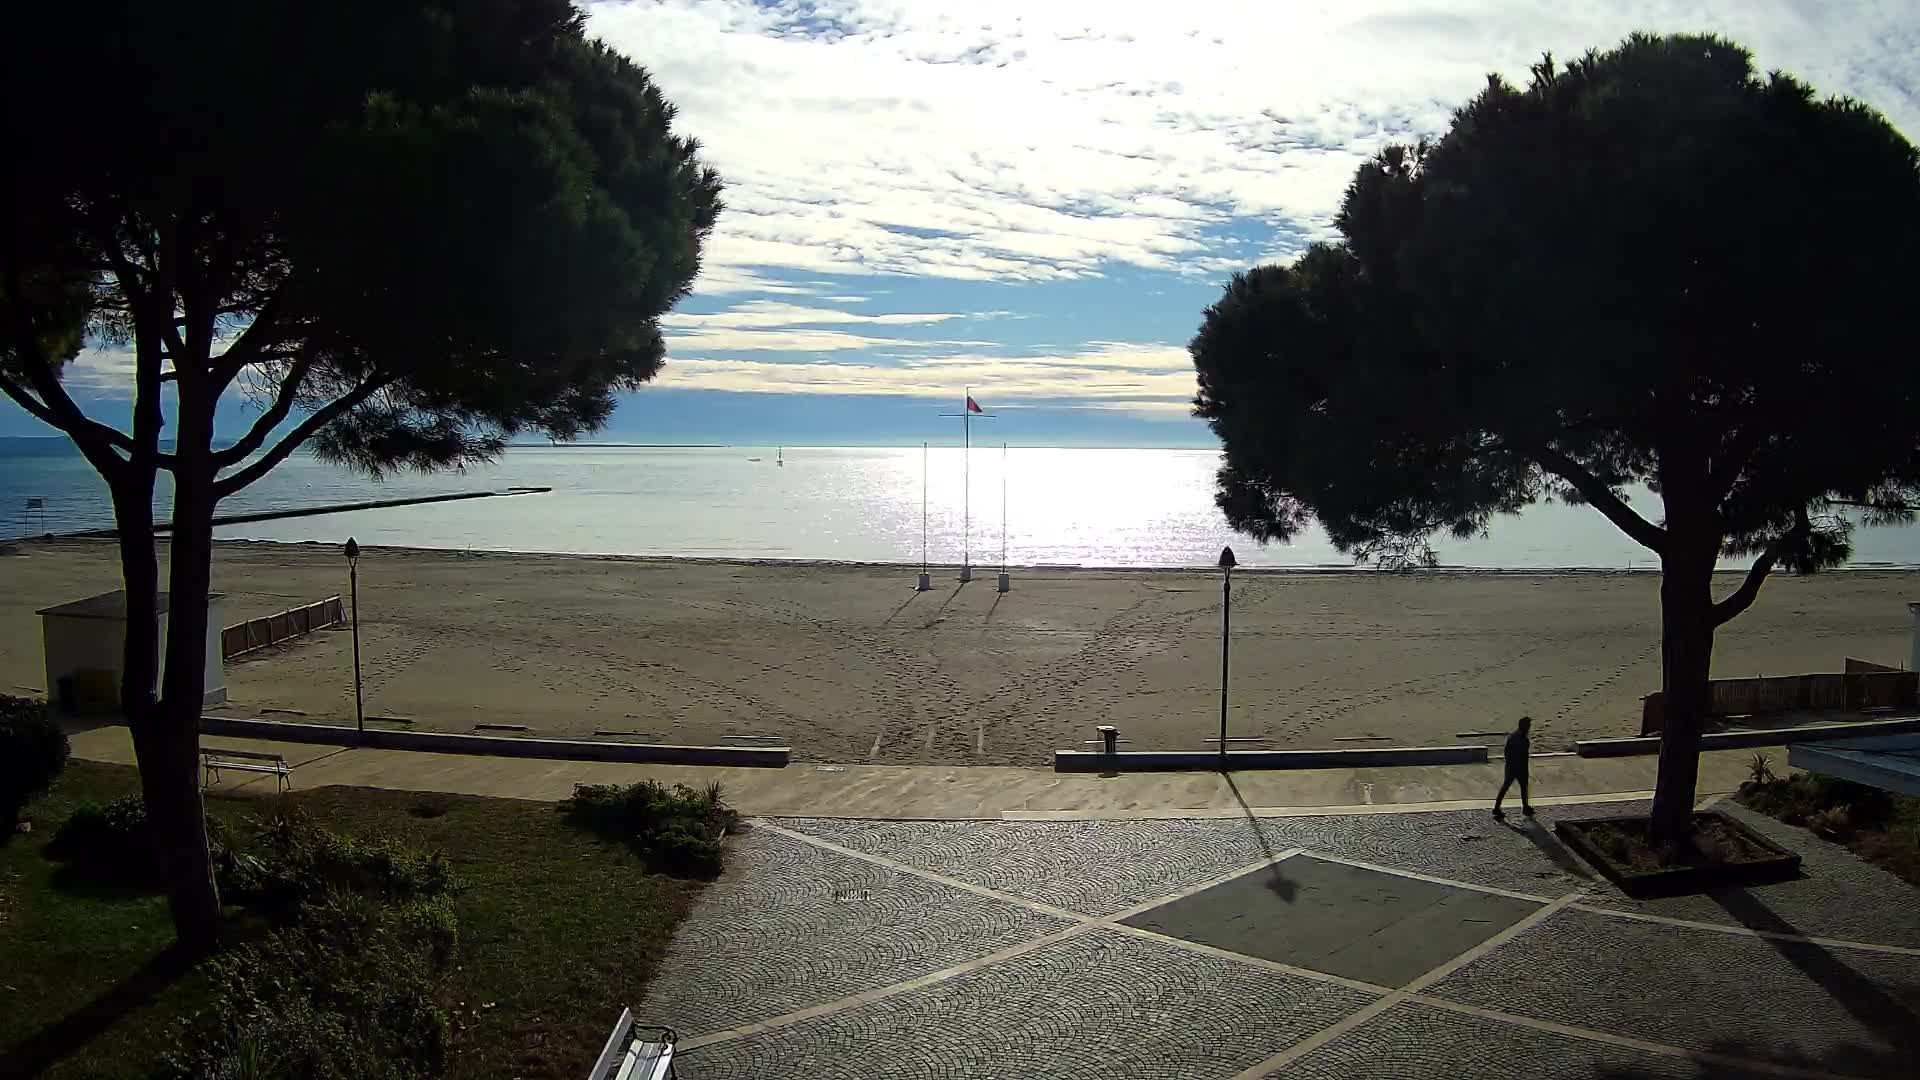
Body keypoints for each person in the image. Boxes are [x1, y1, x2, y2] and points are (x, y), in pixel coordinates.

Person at [1493, 715, 1535, 819]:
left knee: (1508, 787)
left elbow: (1507, 752)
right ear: (1524, 726)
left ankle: (1497, 808)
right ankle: (1524, 807)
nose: (1529, 727)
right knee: (1520, 787)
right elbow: (1523, 755)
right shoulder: (1522, 738)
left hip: (1512, 767)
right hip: (1519, 767)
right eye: (1528, 725)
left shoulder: (1512, 736)